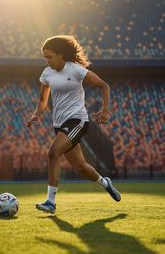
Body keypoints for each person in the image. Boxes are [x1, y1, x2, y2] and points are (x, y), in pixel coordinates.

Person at [27, 35, 121, 214]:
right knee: (81, 167)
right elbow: (42, 99)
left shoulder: (76, 70)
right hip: (59, 124)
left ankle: (50, 202)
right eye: (45, 57)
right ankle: (105, 182)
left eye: (50, 56)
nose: (47, 61)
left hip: (77, 120)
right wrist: (36, 114)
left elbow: (104, 86)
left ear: (61, 55)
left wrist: (106, 110)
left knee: (53, 153)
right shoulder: (47, 73)